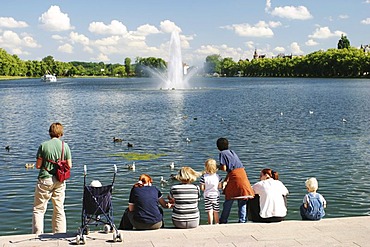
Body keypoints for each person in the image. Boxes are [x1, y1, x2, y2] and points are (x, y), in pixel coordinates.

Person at [32, 122, 72, 235]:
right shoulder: (65, 146)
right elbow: (69, 165)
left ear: (50, 132)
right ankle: (60, 234)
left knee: (39, 209)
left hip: (45, 179)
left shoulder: (43, 146)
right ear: (61, 133)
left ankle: (37, 234)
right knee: (59, 208)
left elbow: (38, 166)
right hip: (60, 180)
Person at [216, 138, 254, 224]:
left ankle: (223, 220)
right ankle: (242, 221)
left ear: (218, 147)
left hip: (235, 177)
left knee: (229, 199)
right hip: (242, 174)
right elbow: (233, 169)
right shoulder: (232, 152)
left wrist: (216, 166)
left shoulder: (222, 153)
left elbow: (225, 168)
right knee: (243, 199)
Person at [199, 158, 222, 224]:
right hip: (216, 195)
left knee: (209, 211)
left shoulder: (204, 177)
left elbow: (202, 188)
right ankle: (217, 223)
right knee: (216, 211)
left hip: (207, 195)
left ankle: (210, 224)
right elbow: (220, 187)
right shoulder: (218, 177)